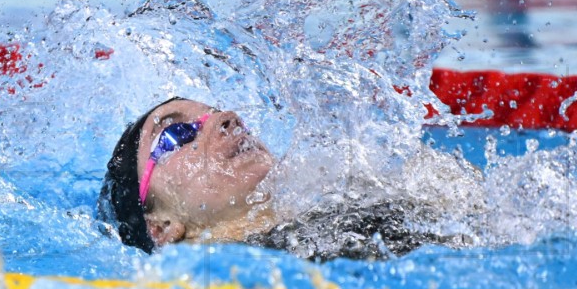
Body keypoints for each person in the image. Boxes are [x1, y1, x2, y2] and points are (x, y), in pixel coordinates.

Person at [97, 97, 463, 260]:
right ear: (159, 226)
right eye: (176, 133)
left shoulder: (349, 210)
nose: (228, 117)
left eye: (214, 112)